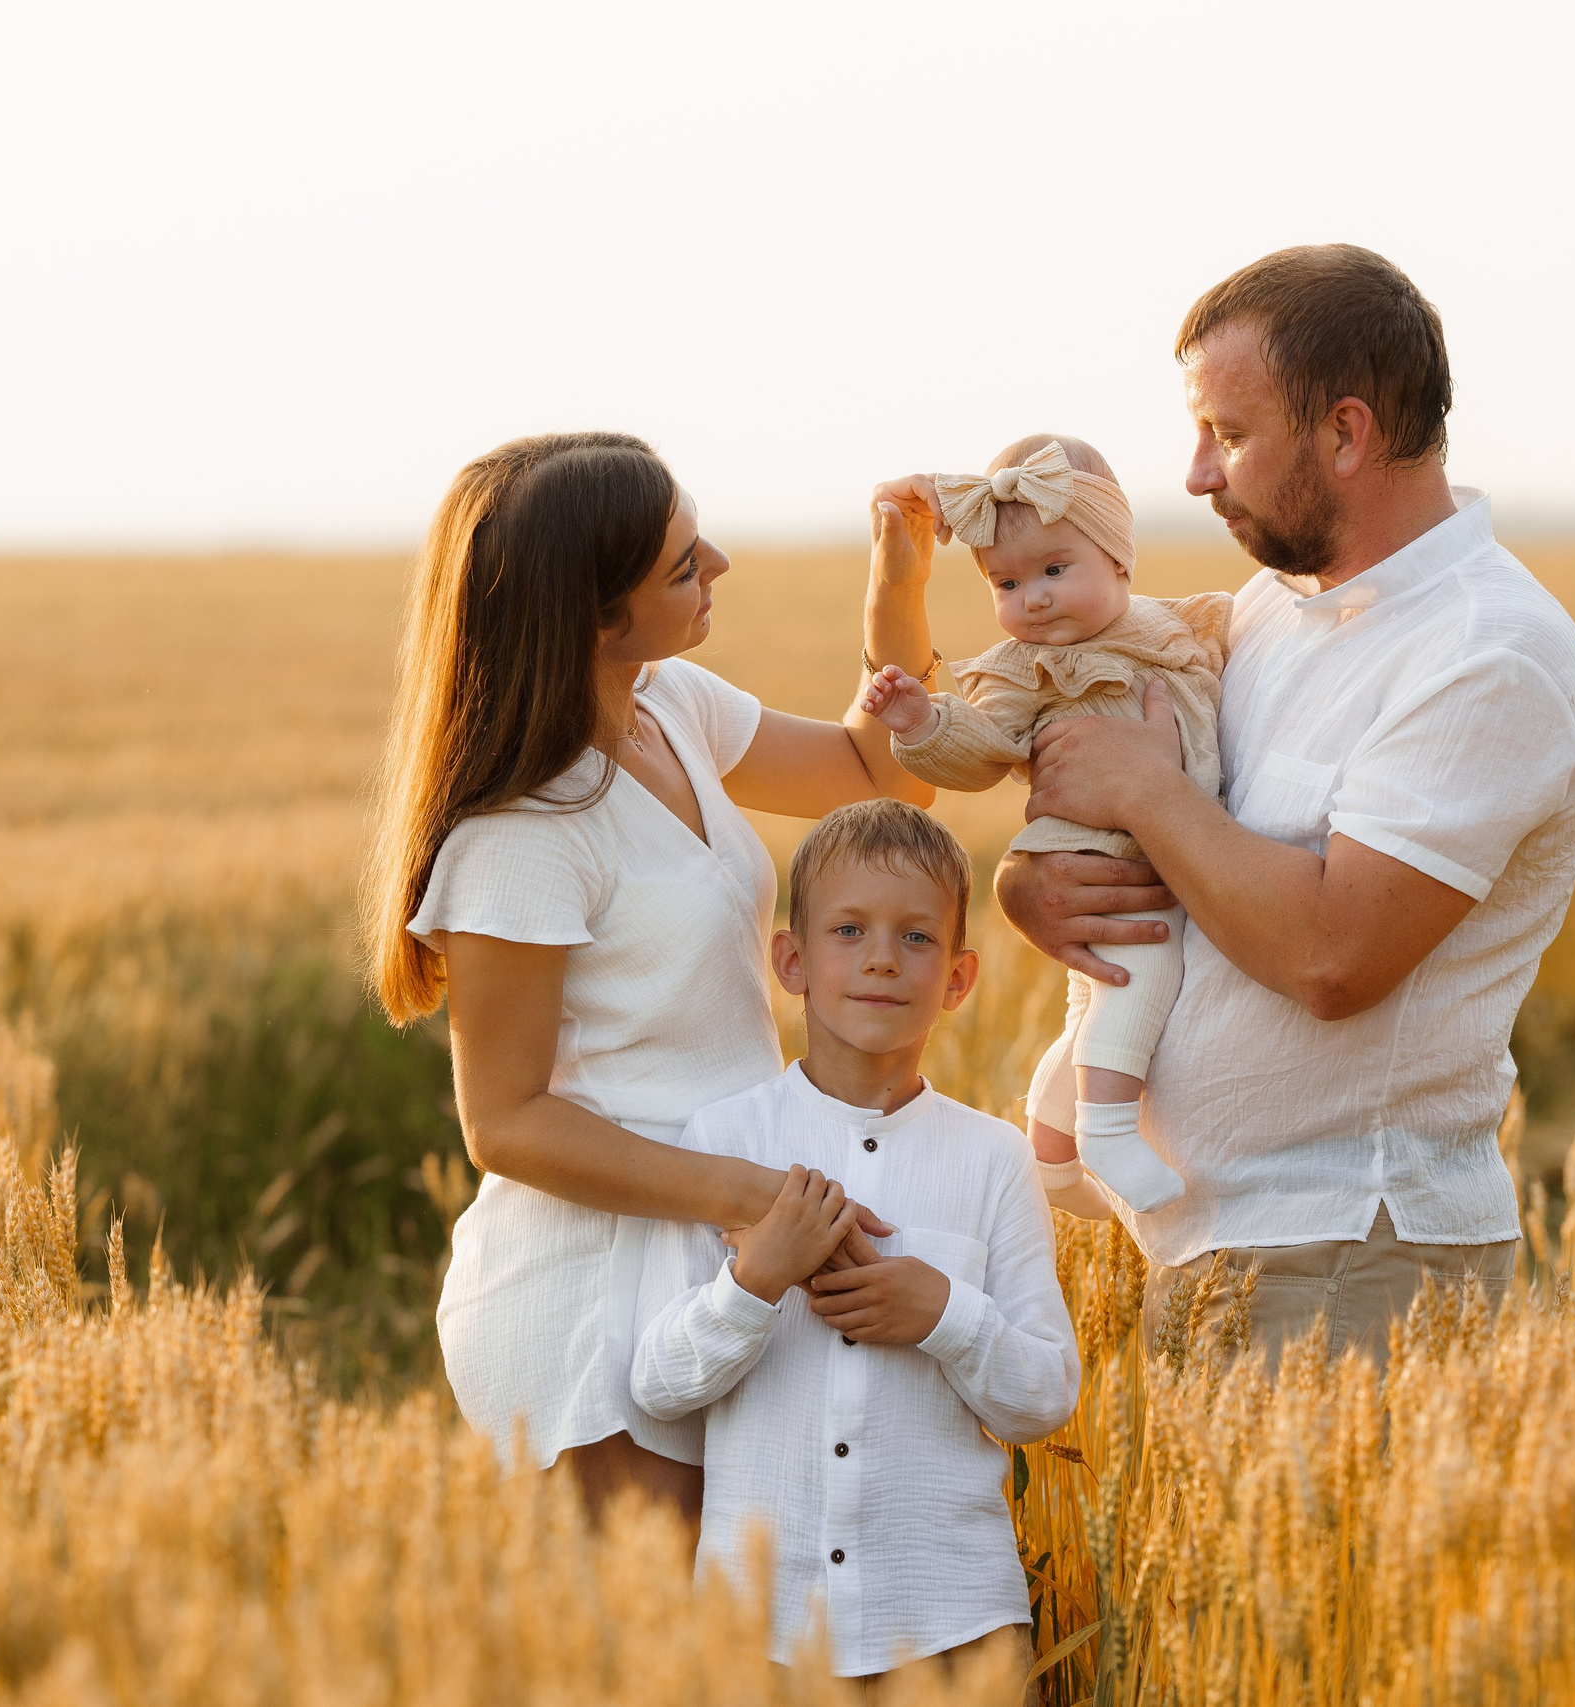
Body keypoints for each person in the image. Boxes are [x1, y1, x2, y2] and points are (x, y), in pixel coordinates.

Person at [897, 245, 1575, 1374]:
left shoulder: (1486, 656)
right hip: (1224, 1241)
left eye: (1227, 436)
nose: (1192, 476)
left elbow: (1334, 952)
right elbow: (1187, 846)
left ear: (1344, 432)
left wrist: (1140, 787)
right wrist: (1040, 887)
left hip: (1344, 1254)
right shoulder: (1272, 613)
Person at [362, 431, 941, 1519]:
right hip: (594, 1291)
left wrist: (897, 584)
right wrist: (762, 1197)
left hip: (729, 1255)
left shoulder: (668, 705)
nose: (716, 561)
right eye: (682, 563)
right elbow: (507, 1123)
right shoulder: (521, 835)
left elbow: (879, 777)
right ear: (593, 614)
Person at [632, 800, 1078, 1692]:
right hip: (761, 1632)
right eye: (849, 929)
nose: (882, 957)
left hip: (955, 1628)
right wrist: (754, 1280)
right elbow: (657, 1379)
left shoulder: (995, 1159)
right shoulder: (723, 1140)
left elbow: (1046, 1394)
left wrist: (946, 1315)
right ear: (791, 961)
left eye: (917, 937)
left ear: (958, 977)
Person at [859, 433, 1229, 1220]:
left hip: (1166, 844)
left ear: (1120, 559)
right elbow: (982, 750)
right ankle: (1107, 1132)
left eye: (1054, 570)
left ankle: (1050, 1153)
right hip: (1094, 855)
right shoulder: (1026, 671)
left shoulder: (1179, 626)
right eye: (1007, 580)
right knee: (1145, 974)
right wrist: (923, 720)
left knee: (1097, 1009)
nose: (1031, 598)